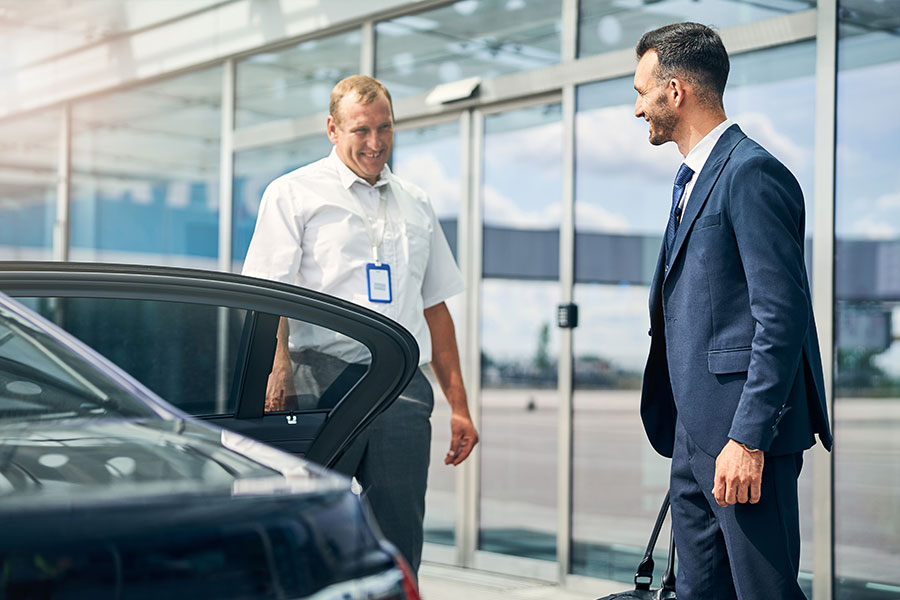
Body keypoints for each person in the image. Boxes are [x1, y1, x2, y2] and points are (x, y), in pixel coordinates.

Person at [241, 75, 478, 574]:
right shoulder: (293, 193)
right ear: (332, 128)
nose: (375, 143)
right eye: (360, 130)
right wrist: (276, 368)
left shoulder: (417, 201)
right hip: (319, 379)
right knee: (311, 521)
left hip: (403, 387)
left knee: (400, 532)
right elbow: (268, 294)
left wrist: (460, 405)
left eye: (385, 128)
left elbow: (434, 307)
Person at [633, 23, 832, 599]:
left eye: (641, 92)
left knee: (762, 591)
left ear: (675, 91)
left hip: (743, 441)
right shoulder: (688, 181)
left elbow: (782, 315)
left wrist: (748, 439)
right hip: (694, 437)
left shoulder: (751, 173)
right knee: (699, 592)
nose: (637, 108)